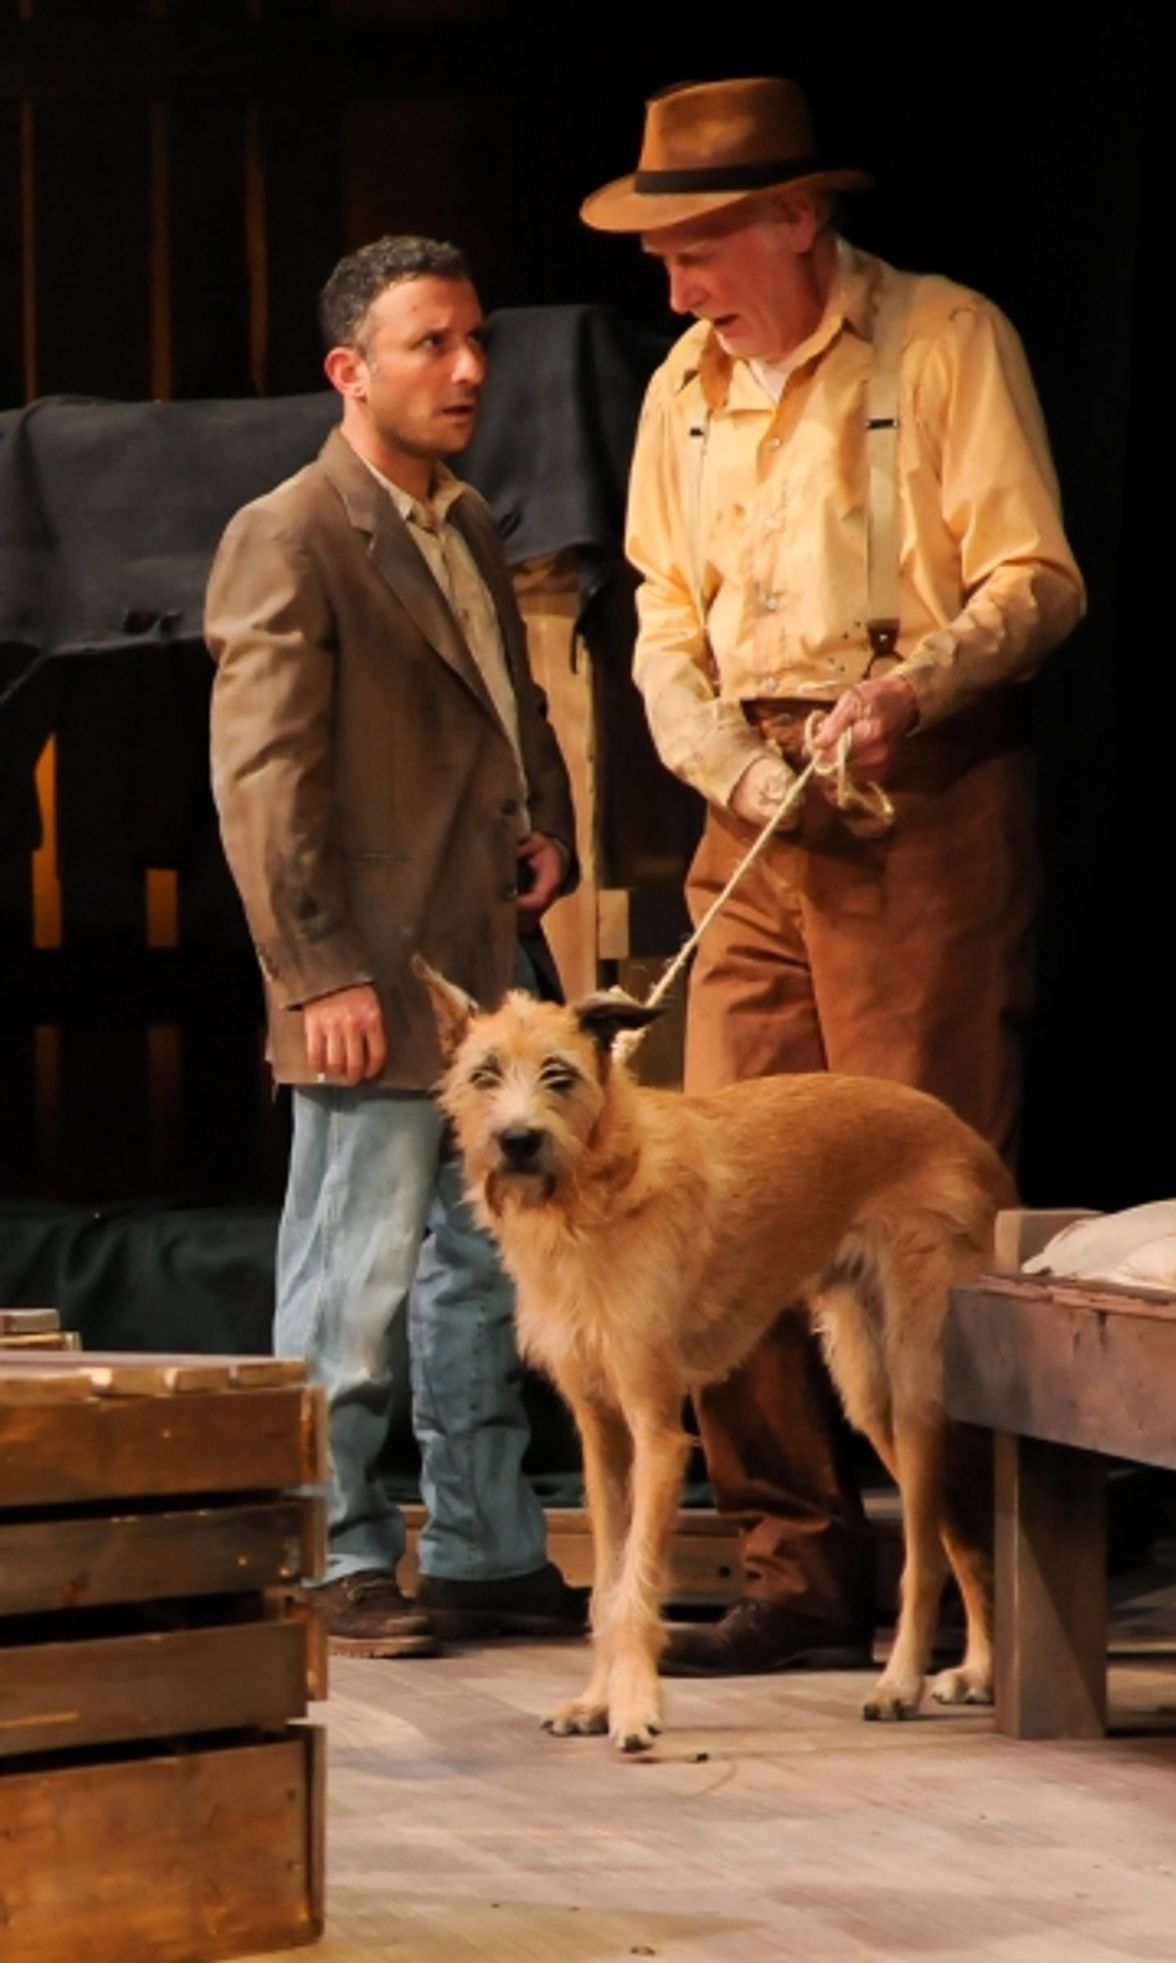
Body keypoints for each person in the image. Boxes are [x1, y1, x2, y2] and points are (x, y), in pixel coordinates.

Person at [581, 78, 1086, 1674]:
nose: (675, 284)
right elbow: (660, 613)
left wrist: (912, 687)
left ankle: (992, 1580)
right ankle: (797, 1567)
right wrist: (729, 768)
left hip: (915, 799)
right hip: (750, 812)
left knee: (924, 1203)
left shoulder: (942, 341)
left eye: (702, 244)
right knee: (704, 1193)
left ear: (799, 218)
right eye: (662, 252)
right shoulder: (683, 385)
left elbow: (1036, 574)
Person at [206, 235, 586, 1658]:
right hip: (363, 974)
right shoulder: (294, 530)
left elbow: (507, 701)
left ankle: (486, 1545)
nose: (469, 368)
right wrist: (316, 975)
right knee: (349, 1284)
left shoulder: (465, 518)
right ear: (349, 371)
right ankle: (328, 1555)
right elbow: (264, 780)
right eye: (433, 344)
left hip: (479, 971)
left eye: (474, 339)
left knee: (483, 1278)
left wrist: (544, 824)